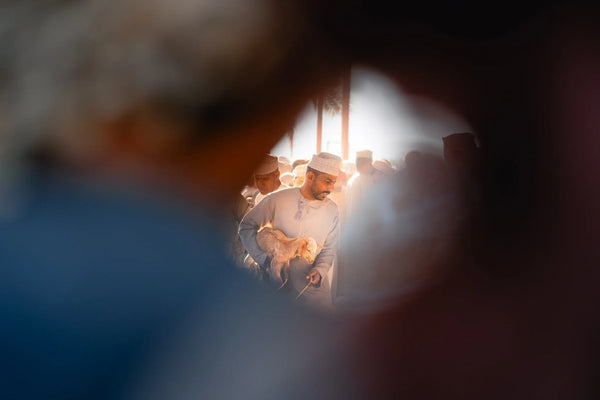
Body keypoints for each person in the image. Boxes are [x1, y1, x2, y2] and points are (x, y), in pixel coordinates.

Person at [239, 152, 342, 309]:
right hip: (278, 289)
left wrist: (320, 270)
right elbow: (246, 227)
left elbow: (329, 249)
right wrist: (264, 260)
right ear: (311, 177)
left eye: (333, 183)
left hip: (313, 293)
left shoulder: (332, 210)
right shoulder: (278, 199)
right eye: (327, 182)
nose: (331, 189)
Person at [344, 149, 373, 216]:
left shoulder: (367, 178)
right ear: (362, 164)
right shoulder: (355, 181)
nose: (371, 167)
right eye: (370, 164)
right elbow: (353, 207)